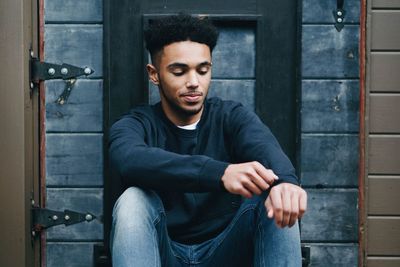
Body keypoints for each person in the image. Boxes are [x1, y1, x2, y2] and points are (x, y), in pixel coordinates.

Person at [109, 13, 307, 267]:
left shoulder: (231, 116)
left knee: (276, 195)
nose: (194, 82)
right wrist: (220, 173)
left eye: (203, 70)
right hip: (165, 251)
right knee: (132, 201)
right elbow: (130, 160)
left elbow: (265, 148)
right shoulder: (136, 124)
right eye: (179, 72)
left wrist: (286, 182)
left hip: (226, 249)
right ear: (154, 74)